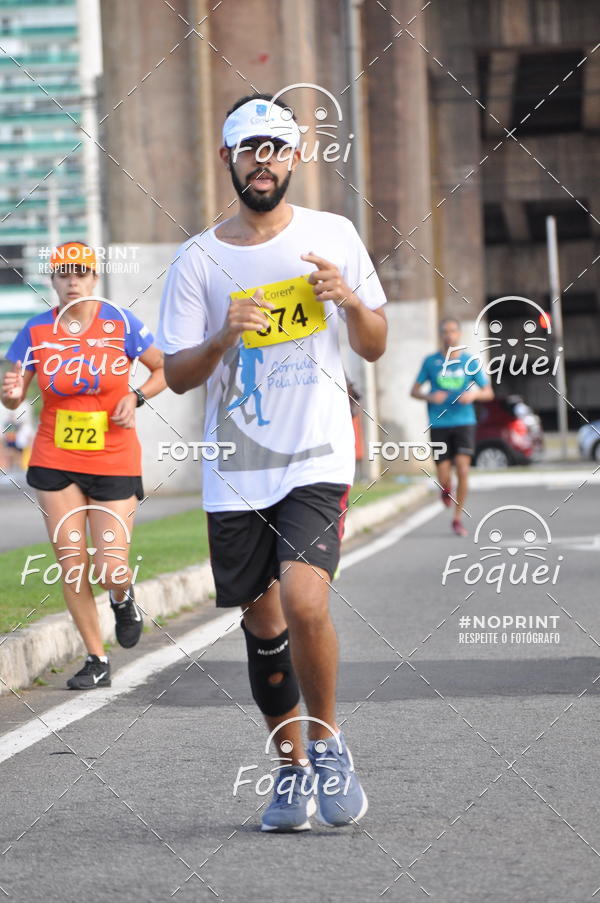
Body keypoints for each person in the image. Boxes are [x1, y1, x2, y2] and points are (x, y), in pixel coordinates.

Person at [157, 93, 387, 831]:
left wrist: (349, 300)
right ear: (228, 158)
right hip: (236, 466)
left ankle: (327, 743)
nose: (264, 162)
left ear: (295, 158)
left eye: (277, 149)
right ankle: (289, 770)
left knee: (306, 600)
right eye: (250, 149)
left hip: (316, 452)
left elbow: (374, 343)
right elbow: (181, 373)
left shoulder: (333, 234)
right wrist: (223, 338)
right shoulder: (198, 258)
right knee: (262, 624)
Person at [1, 241, 166, 689]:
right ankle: (96, 658)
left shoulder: (122, 323)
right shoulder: (36, 332)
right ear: (53, 280)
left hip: (114, 455)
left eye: (81, 272)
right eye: (63, 273)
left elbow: (163, 369)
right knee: (72, 563)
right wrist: (11, 390)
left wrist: (137, 397)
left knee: (110, 565)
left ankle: (122, 594)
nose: (73, 280)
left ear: (95, 278)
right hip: (56, 455)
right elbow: (12, 392)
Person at [411, 317, 493, 536]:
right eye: (445, 332)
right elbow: (414, 390)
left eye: (453, 331)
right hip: (439, 421)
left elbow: (488, 392)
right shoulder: (430, 362)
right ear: (441, 335)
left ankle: (457, 519)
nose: (449, 335)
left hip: (464, 422)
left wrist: (474, 394)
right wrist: (429, 395)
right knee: (444, 473)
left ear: (459, 335)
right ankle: (446, 488)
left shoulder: (470, 362)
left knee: (463, 470)